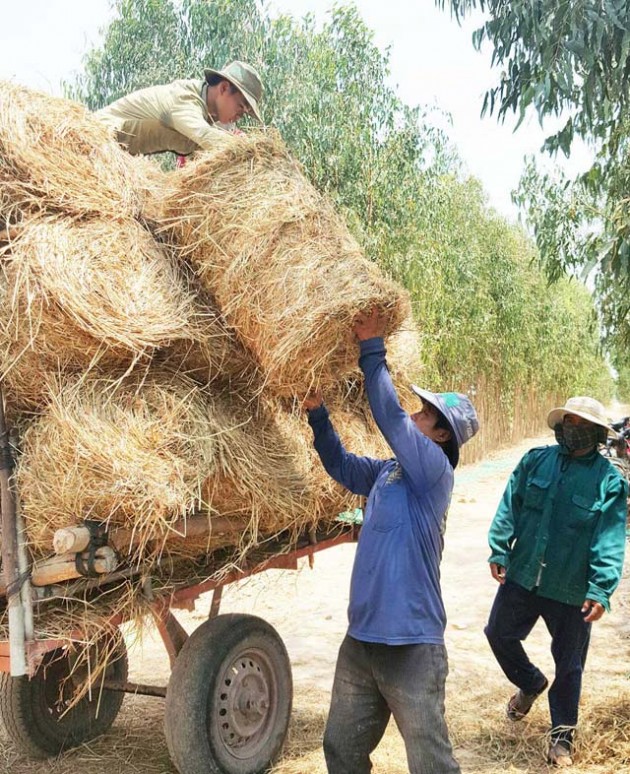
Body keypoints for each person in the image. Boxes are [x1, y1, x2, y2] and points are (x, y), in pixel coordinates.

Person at [303, 307, 479, 774]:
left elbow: (390, 418)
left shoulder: (434, 474)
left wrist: (372, 348)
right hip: (361, 642)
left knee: (431, 764)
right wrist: (317, 414)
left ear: (442, 435)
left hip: (412, 647)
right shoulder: (388, 472)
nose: (415, 416)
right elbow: (339, 464)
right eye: (419, 410)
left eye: (426, 415)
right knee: (341, 750)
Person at [485, 396, 628, 768]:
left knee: (569, 666)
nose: (572, 429)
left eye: (581, 424)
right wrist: (499, 549)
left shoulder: (609, 481)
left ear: (596, 433)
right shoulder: (535, 461)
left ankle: (561, 738)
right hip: (524, 574)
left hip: (571, 589)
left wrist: (601, 588)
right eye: (567, 422)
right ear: (558, 426)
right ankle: (531, 683)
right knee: (498, 632)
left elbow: (610, 540)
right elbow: (510, 505)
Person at [94, 60, 263, 157]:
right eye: (241, 106)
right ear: (224, 88)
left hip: (117, 155)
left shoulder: (205, 116)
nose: (241, 115)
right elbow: (205, 136)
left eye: (246, 112)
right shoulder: (184, 98)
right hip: (97, 138)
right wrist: (250, 151)